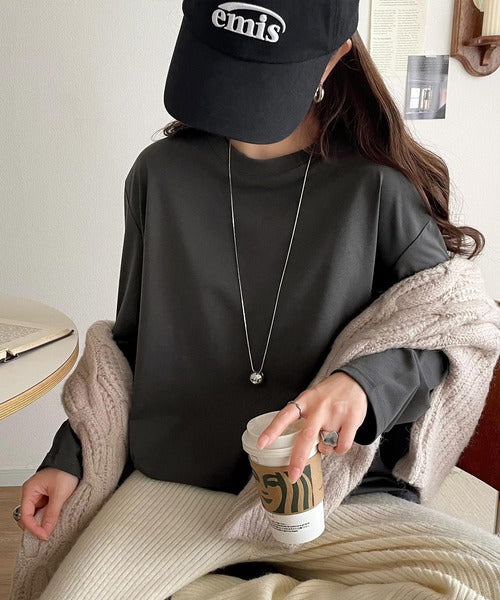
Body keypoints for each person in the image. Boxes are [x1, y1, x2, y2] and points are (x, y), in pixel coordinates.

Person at [16, 0, 492, 595]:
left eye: (261, 72)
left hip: (331, 495)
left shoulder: (378, 191)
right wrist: (69, 457)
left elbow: (449, 329)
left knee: (480, 582)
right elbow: (131, 346)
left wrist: (363, 384)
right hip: (179, 488)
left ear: (335, 58)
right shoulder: (159, 175)